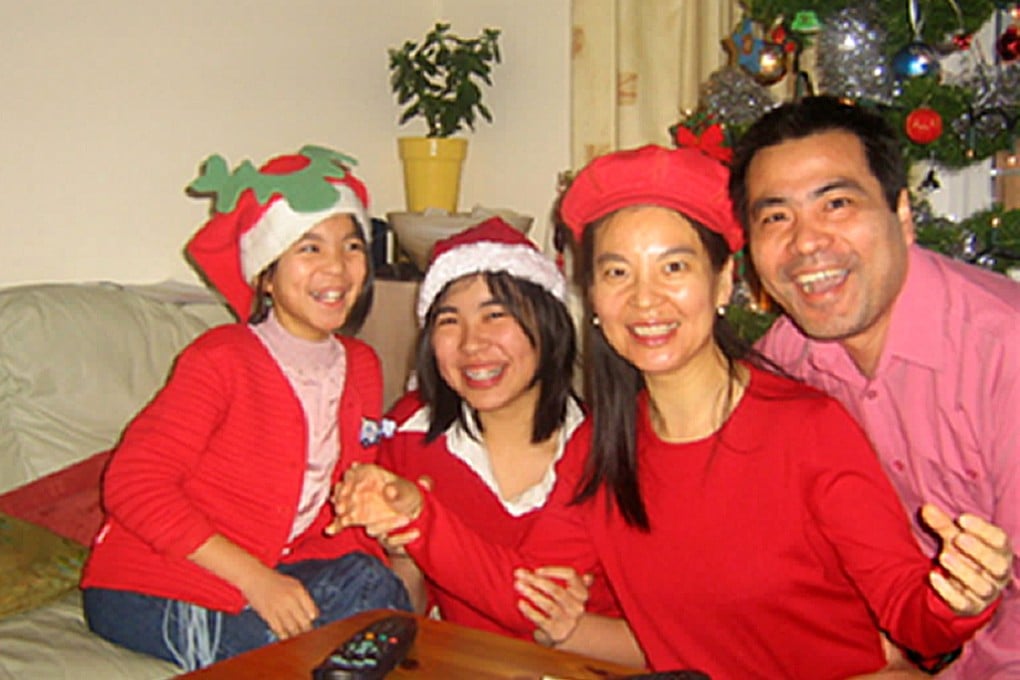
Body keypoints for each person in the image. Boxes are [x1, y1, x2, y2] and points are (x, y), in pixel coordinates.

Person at [333, 143, 1007, 679]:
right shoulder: (601, 447)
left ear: (722, 284)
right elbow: (526, 595)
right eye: (618, 272)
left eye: (674, 268)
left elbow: (912, 617)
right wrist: (417, 518)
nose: (645, 300)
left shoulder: (807, 426)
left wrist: (956, 598)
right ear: (592, 299)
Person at [80, 146, 411, 670]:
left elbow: (333, 498)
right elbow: (133, 482)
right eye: (310, 248)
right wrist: (256, 581)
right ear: (265, 275)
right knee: (301, 652)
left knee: (377, 594)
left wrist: (381, 502)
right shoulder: (223, 358)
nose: (337, 267)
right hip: (152, 583)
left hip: (280, 566)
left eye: (352, 246)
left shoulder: (362, 365)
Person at [728, 95, 1018, 678]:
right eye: (776, 217)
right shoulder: (785, 359)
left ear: (903, 216)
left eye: (836, 203)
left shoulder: (1002, 353)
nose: (807, 242)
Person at [355, 216, 630, 655]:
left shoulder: (602, 445)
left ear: (547, 323)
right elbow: (402, 609)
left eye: (495, 316)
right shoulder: (408, 434)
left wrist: (419, 520)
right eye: (449, 321)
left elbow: (528, 610)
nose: (471, 344)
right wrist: (405, 555)